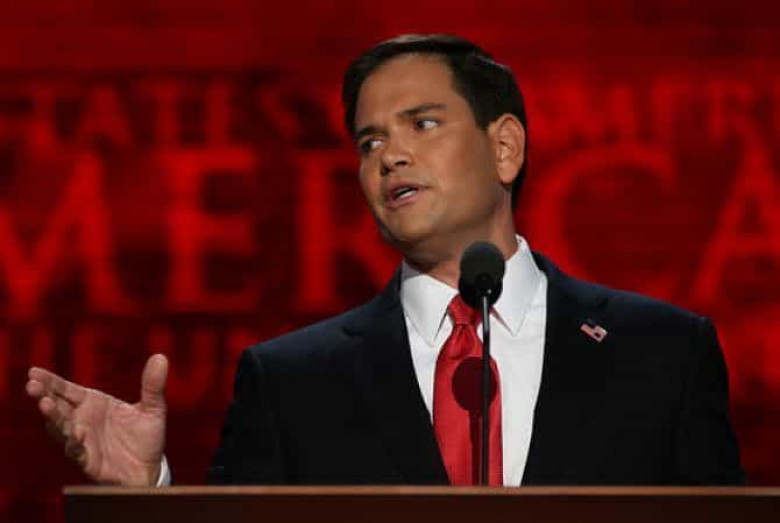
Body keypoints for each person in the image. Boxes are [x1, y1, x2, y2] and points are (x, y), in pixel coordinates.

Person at [25, 34, 745, 486]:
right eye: (369, 141)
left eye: (422, 124)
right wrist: (148, 494)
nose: (390, 155)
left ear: (504, 147)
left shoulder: (664, 353)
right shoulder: (290, 381)